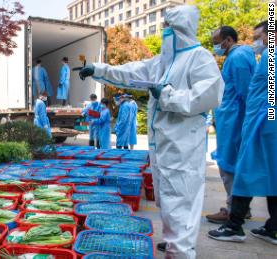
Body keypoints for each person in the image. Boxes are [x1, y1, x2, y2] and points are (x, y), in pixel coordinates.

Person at [79, 5, 224, 259]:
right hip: (163, 148)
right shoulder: (162, 62)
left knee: (181, 204)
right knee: (168, 203)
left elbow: (208, 96)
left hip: (182, 149)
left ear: (181, 30)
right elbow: (129, 72)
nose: (165, 31)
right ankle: (173, 244)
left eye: (169, 27)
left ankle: (180, 252)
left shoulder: (198, 58)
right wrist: (99, 69)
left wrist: (166, 95)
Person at [208, 21, 277, 245]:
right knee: (270, 175)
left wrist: (265, 119)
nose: (257, 41)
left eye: (260, 36)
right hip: (262, 123)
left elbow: (264, 93)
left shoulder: (270, 56)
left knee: (246, 172)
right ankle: (273, 227)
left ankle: (234, 225)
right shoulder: (265, 56)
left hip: (261, 125)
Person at [206, 26, 257, 224]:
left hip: (234, 120)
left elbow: (245, 93)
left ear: (227, 40)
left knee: (228, 165)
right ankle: (240, 208)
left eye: (216, 43)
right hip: (231, 118)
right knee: (231, 164)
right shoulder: (240, 56)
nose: (215, 47)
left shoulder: (237, 58)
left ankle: (233, 209)